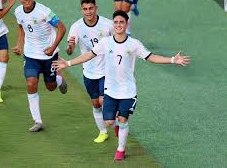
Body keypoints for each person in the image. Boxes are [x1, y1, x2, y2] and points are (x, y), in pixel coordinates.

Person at [52, 10, 190, 161]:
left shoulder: (134, 44)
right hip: (110, 90)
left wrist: (172, 60)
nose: (118, 25)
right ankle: (118, 126)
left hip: (127, 91)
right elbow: (89, 55)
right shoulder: (105, 42)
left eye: (121, 22)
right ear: (113, 24)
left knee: (123, 119)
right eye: (116, 22)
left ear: (126, 24)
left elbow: (151, 57)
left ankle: (120, 149)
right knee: (109, 121)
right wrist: (68, 63)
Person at [13, 0, 67, 132]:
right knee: (31, 83)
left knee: (51, 87)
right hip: (31, 56)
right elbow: (21, 28)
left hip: (49, 55)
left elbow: (62, 28)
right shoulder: (18, 11)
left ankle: (59, 77)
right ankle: (38, 121)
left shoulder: (45, 11)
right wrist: (19, 45)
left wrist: (52, 47)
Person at [66, 0, 113, 143]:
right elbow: (69, 51)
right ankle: (103, 132)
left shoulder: (107, 25)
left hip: (106, 71)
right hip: (89, 72)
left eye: (91, 8)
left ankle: (119, 125)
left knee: (103, 101)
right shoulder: (76, 27)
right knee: (96, 104)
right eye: (85, 9)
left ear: (96, 8)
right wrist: (70, 47)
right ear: (81, 10)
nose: (88, 12)